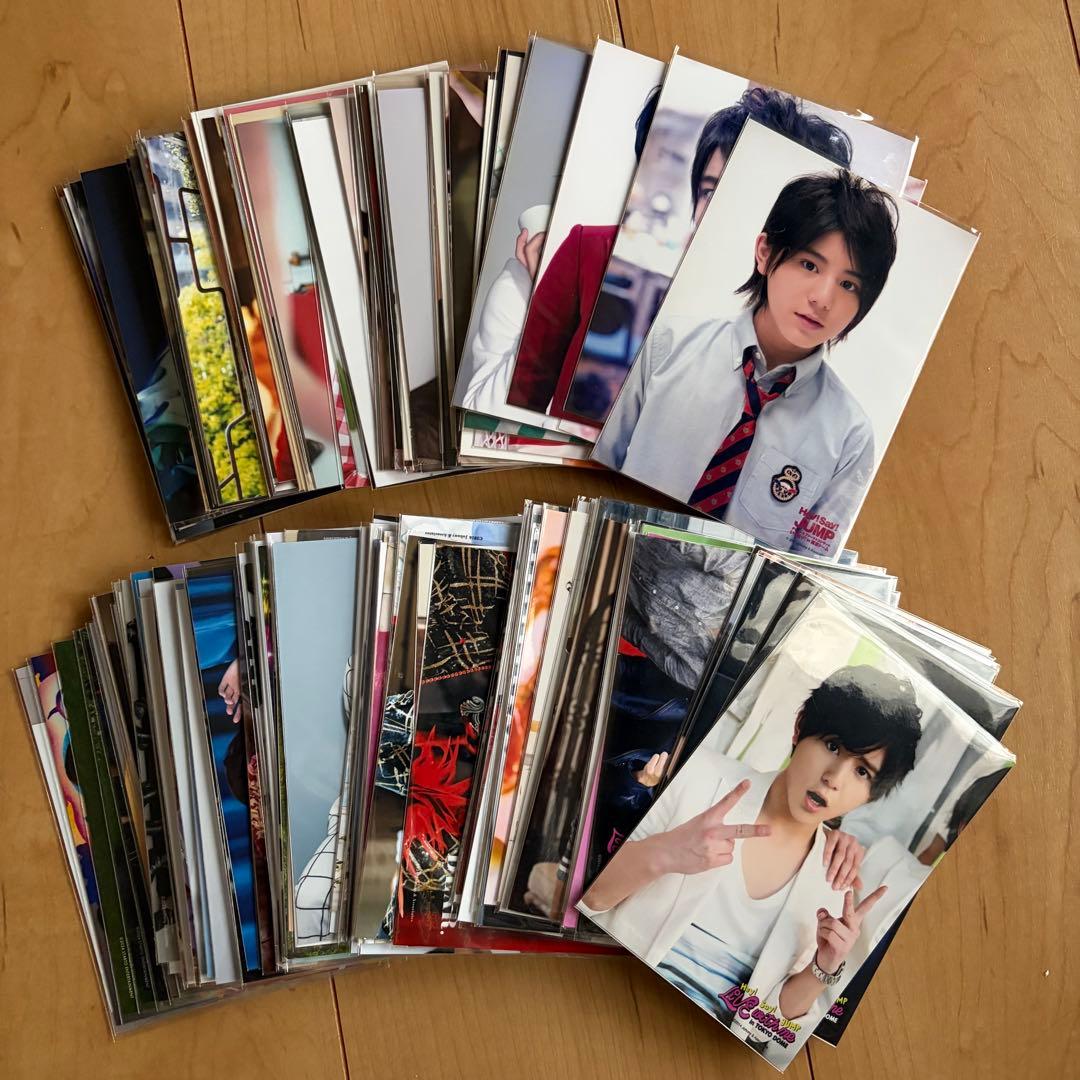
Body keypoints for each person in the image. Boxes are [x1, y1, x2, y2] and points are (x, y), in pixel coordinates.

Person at [580, 665, 921, 1049]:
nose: (834, 777)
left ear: (872, 795)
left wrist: (823, 968)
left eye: (861, 771)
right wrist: (665, 854)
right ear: (799, 728)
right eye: (832, 746)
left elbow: (766, 1031)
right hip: (605, 999)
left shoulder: (833, 881)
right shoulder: (698, 776)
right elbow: (590, 899)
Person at [593, 169, 898, 558]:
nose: (823, 298)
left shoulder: (849, 436)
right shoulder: (664, 346)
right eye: (809, 265)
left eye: (848, 284)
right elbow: (592, 478)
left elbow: (806, 571)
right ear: (765, 254)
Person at [504, 87, 855, 420]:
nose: (721, 212)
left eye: (743, 195)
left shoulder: (792, 326)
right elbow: (520, 399)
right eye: (710, 191)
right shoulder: (596, 250)